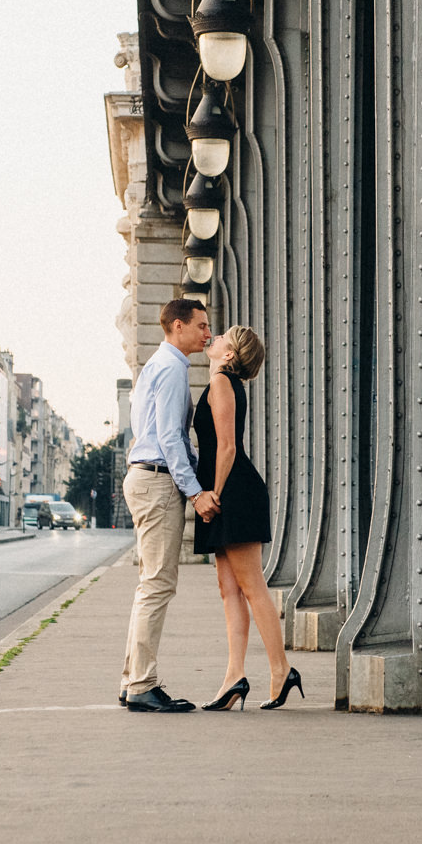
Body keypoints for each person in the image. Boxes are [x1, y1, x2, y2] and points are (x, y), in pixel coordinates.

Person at [119, 298, 220, 713]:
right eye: (201, 325)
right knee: (157, 585)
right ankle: (142, 684)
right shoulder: (174, 369)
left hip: (145, 477)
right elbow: (170, 439)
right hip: (157, 481)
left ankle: (132, 680)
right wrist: (195, 491)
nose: (207, 333)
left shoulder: (155, 366)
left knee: (149, 585)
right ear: (178, 326)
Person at [192, 325, 300, 711]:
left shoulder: (222, 382)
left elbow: (227, 447)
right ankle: (234, 676)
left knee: (251, 585)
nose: (215, 337)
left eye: (223, 336)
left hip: (233, 492)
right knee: (229, 589)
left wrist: (214, 494)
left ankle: (281, 670)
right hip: (230, 491)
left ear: (230, 354)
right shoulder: (224, 382)